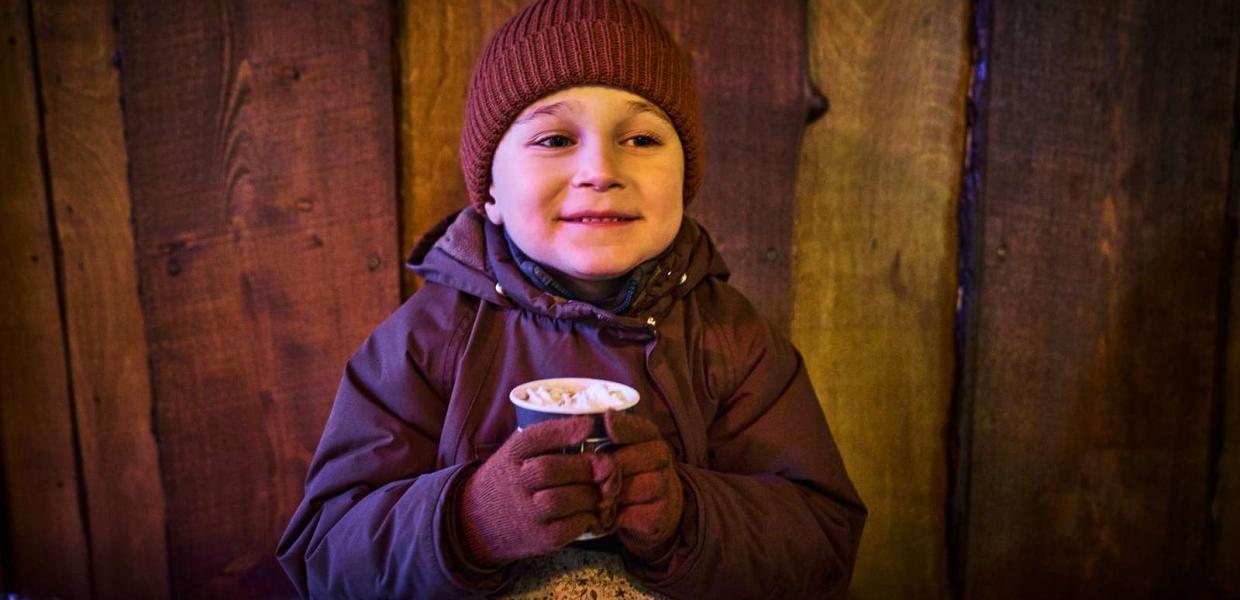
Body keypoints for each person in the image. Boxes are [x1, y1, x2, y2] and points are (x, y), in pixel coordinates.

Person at [276, 0, 866, 597]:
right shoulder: (427, 341)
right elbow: (325, 556)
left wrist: (686, 517)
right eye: (555, 138)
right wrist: (471, 523)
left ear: (685, 182)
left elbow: (822, 542)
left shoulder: (732, 340)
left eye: (640, 138)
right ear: (491, 195)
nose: (600, 169)